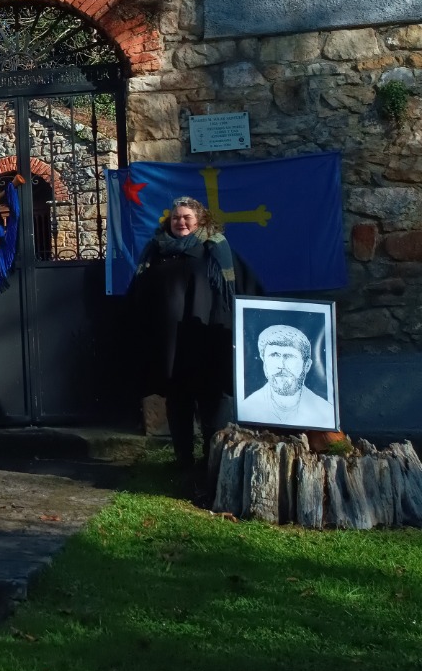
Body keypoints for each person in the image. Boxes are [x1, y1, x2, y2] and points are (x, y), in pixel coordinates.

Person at [128, 197, 259, 476]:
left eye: (186, 217)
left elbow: (242, 287)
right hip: (171, 344)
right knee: (178, 400)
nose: (181, 222)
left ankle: (215, 461)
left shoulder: (216, 249)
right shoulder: (156, 250)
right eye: (176, 217)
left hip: (208, 340)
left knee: (213, 398)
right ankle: (183, 460)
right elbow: (140, 291)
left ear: (199, 220)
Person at [237, 324, 337, 427]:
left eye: (289, 356)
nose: (281, 365)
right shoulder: (246, 409)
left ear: (307, 365)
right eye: (274, 355)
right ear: (264, 361)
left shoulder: (325, 413)